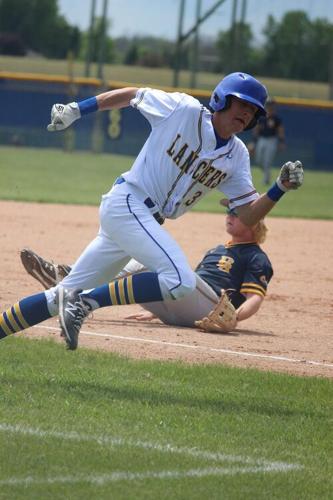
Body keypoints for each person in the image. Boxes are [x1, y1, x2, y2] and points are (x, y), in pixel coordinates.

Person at [0, 72, 303, 350]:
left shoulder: (236, 156)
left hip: (140, 220)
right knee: (180, 280)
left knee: (58, 297)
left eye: (253, 111)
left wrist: (279, 187)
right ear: (222, 99)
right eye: (242, 104)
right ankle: (84, 303)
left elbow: (248, 215)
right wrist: (78, 109)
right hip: (129, 202)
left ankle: (55, 308)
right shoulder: (183, 110)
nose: (247, 114)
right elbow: (133, 94)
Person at [19, 209, 273, 330]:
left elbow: (255, 298)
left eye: (237, 212)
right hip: (186, 311)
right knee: (160, 267)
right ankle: (72, 287)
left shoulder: (255, 257)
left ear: (254, 222)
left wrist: (235, 318)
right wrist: (153, 312)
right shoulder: (217, 249)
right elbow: (185, 288)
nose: (230, 213)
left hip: (215, 311)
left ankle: (70, 281)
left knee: (152, 259)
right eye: (229, 209)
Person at [248, 98, 286, 185]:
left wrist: (281, 142)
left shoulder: (276, 119)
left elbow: (280, 130)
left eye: (272, 105)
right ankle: (266, 174)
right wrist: (253, 142)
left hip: (272, 140)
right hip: (261, 139)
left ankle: (266, 179)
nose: (270, 107)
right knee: (258, 160)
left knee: (267, 161)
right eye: (269, 105)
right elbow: (256, 130)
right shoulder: (262, 117)